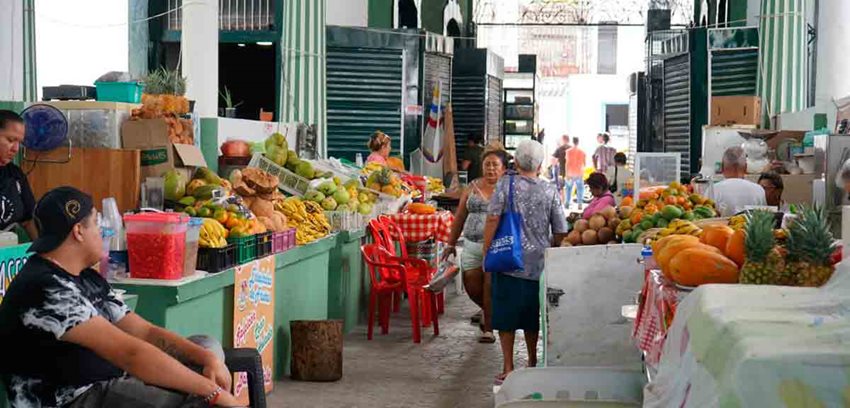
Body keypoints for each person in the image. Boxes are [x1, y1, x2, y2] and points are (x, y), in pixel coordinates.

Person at [0, 187, 242, 407]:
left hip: (109, 380)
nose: (102, 231)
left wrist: (208, 359)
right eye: (96, 223)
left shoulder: (86, 277)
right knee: (197, 397)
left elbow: (145, 333)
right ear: (78, 232)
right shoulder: (44, 288)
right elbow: (130, 354)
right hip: (75, 398)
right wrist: (213, 392)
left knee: (205, 347)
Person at [483, 140, 569, 383]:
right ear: (540, 164)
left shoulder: (504, 184)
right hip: (538, 264)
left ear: (516, 161)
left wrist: (487, 250)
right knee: (533, 316)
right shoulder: (550, 189)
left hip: (507, 258)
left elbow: (492, 219)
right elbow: (561, 229)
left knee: (506, 315)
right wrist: (553, 250)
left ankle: (508, 366)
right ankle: (532, 362)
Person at [443, 145, 509, 343]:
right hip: (471, 244)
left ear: (503, 168)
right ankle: (490, 311)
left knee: (489, 286)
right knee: (471, 286)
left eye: (495, 165)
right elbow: (460, 216)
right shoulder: (472, 187)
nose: (490, 169)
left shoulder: (508, 188)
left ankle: (488, 328)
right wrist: (450, 243)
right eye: (487, 164)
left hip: (496, 246)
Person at [0, 110, 38, 240]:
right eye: (11, 140)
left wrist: (44, 253)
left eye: (19, 142)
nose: (16, 148)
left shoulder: (15, 175)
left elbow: (28, 220)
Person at [704, 146, 766, 216]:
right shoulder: (759, 190)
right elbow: (762, 218)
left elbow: (706, 218)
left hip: (721, 227)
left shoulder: (713, 190)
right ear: (746, 167)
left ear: (722, 168)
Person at [564, 137, 586, 210]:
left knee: (568, 189)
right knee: (580, 189)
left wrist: (566, 174)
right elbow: (584, 163)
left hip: (570, 173)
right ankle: (580, 204)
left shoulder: (568, 151)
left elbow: (567, 163)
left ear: (572, 142)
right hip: (579, 173)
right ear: (578, 142)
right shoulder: (582, 152)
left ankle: (567, 203)